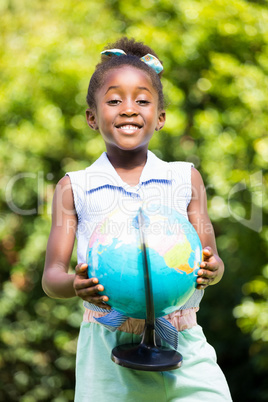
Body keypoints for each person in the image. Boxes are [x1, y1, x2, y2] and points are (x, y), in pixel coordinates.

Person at [42, 37, 232, 401]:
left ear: (160, 118)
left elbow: (212, 258)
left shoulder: (185, 177)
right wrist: (75, 285)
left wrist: (213, 269)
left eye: (142, 100)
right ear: (91, 117)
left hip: (184, 343)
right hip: (107, 351)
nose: (129, 109)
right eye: (114, 100)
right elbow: (52, 277)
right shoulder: (74, 187)